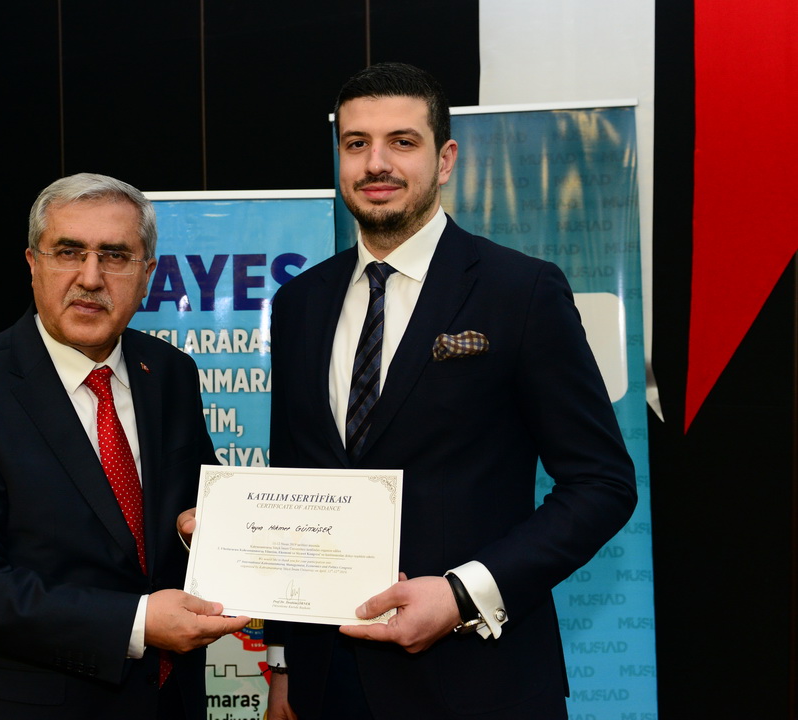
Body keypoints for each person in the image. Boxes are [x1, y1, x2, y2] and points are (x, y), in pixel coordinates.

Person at [263, 63, 637, 719]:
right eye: (356, 143)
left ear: (445, 159)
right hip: (328, 683)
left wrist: (462, 595)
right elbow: (293, 482)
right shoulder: (299, 303)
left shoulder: (521, 291)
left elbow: (601, 482)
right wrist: (285, 663)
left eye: (402, 142)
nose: (376, 163)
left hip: (478, 682)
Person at [0, 172, 248, 720]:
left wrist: (203, 532)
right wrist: (136, 622)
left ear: (147, 275)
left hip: (170, 702)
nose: (90, 277)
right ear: (32, 263)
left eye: (115, 256)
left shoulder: (170, 372)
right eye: (68, 252)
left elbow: (184, 514)